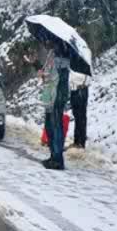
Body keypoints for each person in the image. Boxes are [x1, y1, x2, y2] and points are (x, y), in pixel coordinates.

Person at [38, 40, 71, 170]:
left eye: (49, 40)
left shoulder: (60, 55)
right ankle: (54, 156)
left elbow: (53, 77)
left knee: (55, 126)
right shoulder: (56, 53)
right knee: (50, 125)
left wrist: (43, 75)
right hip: (54, 95)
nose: (46, 42)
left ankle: (57, 159)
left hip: (55, 95)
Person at [69, 70, 90, 150]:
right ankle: (77, 141)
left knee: (81, 116)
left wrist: (84, 84)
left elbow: (88, 73)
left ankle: (81, 142)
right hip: (74, 90)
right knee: (77, 115)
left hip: (81, 89)